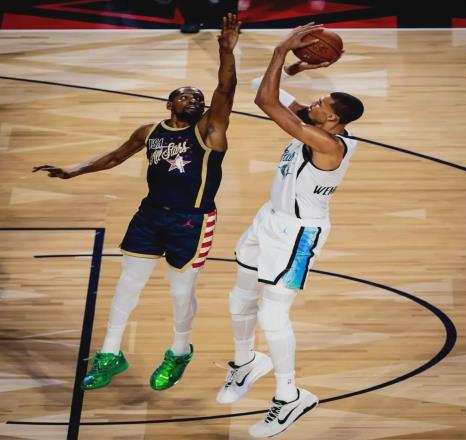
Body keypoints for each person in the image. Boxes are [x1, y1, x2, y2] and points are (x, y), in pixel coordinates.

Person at [33, 13, 241, 391]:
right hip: (148, 216)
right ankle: (110, 353)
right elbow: (115, 156)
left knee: (181, 293)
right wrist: (74, 170)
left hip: (191, 222)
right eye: (185, 95)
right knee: (127, 285)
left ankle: (179, 352)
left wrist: (227, 52)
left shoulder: (210, 130)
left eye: (198, 96)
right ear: (169, 103)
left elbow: (225, 90)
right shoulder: (150, 131)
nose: (194, 99)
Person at [216, 23, 364, 438]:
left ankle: (290, 397)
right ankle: (246, 363)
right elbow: (262, 88)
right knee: (240, 297)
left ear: (331, 119)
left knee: (272, 314)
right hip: (268, 218)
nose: (311, 102)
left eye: (320, 103)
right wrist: (293, 68)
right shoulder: (319, 126)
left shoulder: (327, 145)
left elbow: (266, 101)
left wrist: (282, 50)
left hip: (298, 235)